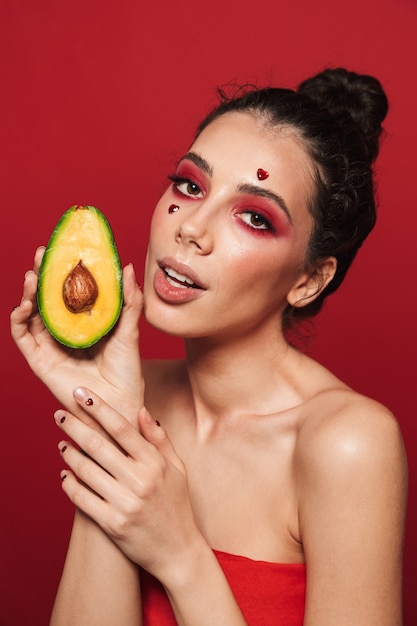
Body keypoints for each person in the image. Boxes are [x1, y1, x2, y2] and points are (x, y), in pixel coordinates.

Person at [11, 67, 408, 626]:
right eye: (190, 185)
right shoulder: (134, 400)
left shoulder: (348, 445)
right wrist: (111, 424)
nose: (192, 228)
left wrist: (180, 553)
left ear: (309, 280)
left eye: (254, 217)